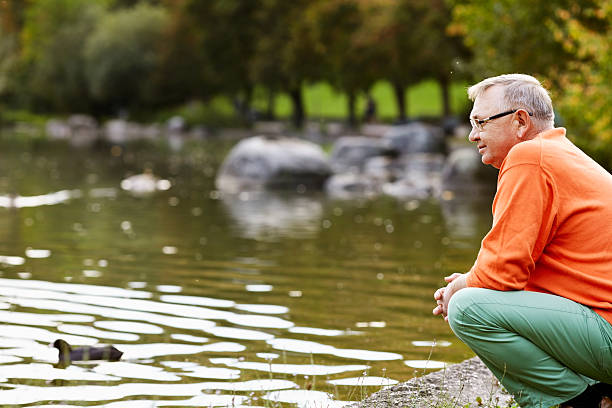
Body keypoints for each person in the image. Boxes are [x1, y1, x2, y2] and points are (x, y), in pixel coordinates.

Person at [432, 74, 612, 408]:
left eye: (480, 122)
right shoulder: (560, 154)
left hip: (607, 331)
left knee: (467, 309)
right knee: (474, 296)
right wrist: (474, 279)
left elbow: (502, 273)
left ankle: (579, 401)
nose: (473, 135)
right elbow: (515, 268)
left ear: (520, 121)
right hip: (600, 324)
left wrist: (459, 289)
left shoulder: (529, 157)